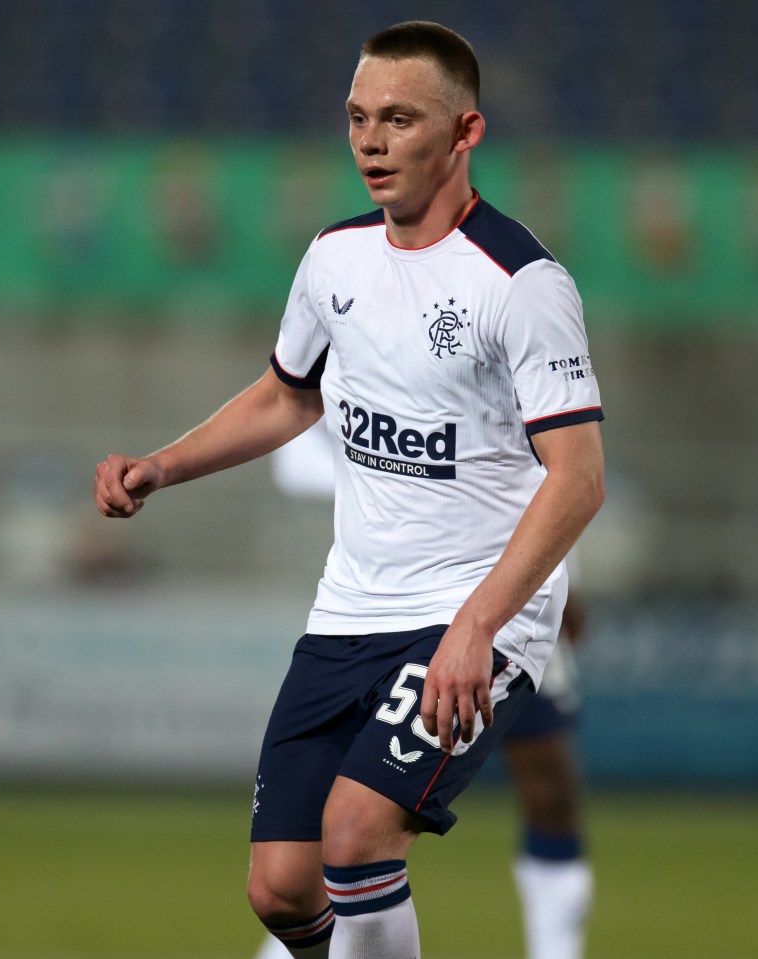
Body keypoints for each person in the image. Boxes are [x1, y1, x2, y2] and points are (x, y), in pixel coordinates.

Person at [94, 20, 605, 959]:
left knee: (356, 839)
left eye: (400, 118)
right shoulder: (335, 258)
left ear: (465, 133)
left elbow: (579, 479)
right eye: (358, 117)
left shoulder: (523, 284)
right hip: (351, 608)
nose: (371, 140)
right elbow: (290, 396)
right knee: (281, 889)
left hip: (475, 612)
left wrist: (479, 626)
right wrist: (163, 465)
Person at [258, 432, 594, 959]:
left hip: (504, 592)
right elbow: (293, 452)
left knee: (549, 783)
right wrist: (408, 478)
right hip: (388, 595)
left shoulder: (512, 358)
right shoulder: (338, 358)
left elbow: (561, 469)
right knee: (340, 830)